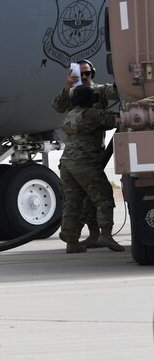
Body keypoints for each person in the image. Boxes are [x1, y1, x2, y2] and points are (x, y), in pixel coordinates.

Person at [52, 59, 119, 248]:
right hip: (86, 158)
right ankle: (98, 234)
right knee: (98, 196)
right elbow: (57, 106)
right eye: (79, 74)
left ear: (92, 73)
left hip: (83, 155)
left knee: (79, 200)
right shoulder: (72, 92)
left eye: (87, 73)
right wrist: (67, 87)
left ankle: (74, 238)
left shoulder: (100, 90)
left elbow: (118, 90)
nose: (83, 77)